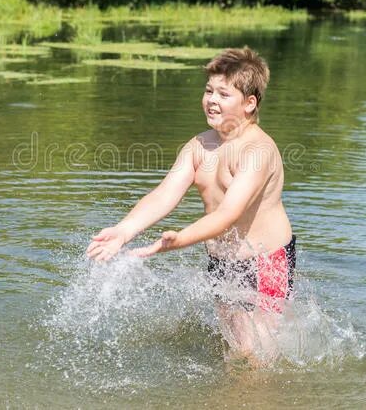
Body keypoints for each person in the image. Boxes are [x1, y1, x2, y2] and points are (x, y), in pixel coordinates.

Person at [86, 47, 295, 365]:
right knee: (235, 350)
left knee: (257, 358)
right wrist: (123, 230)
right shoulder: (200, 146)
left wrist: (180, 240)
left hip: (266, 262)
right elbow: (164, 194)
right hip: (222, 261)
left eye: (224, 94)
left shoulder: (258, 151)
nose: (212, 99)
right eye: (209, 90)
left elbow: (228, 213)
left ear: (249, 103)